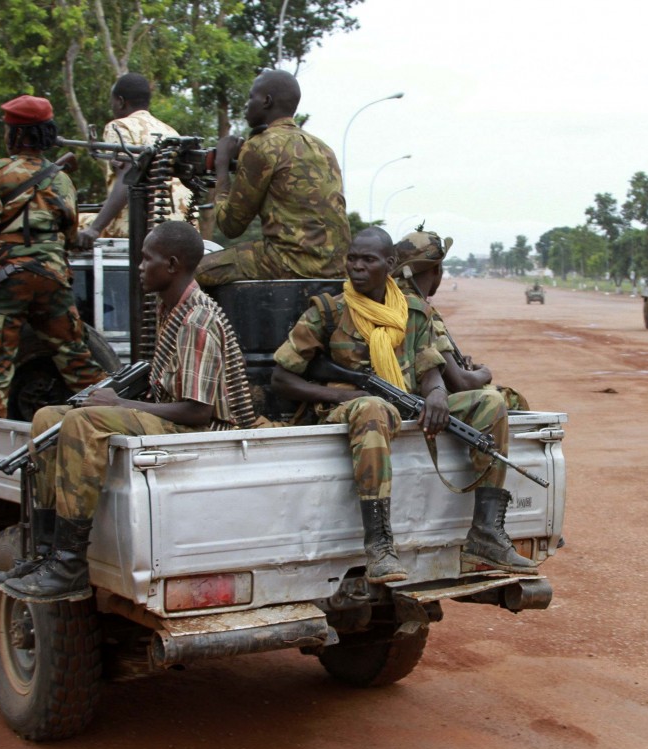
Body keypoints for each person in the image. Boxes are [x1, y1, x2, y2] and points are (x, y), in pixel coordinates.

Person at [0, 221, 259, 602]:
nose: (139, 267)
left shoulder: (197, 319)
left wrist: (119, 405)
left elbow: (199, 411)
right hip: (175, 418)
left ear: (170, 265)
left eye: (145, 259)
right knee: (48, 419)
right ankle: (46, 552)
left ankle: (70, 565)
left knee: (87, 420)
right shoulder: (169, 307)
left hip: (204, 431)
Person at [271, 227, 536, 584]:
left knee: (490, 400)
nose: (358, 267)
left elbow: (430, 369)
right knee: (372, 408)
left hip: (406, 403)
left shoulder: (413, 313)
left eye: (369, 260)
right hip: (350, 409)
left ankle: (486, 534)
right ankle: (380, 546)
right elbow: (282, 378)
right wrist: (346, 395)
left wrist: (438, 395)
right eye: (353, 259)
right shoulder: (329, 312)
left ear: (390, 264)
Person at [0, 95, 104, 418]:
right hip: (53, 280)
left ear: (16, 134)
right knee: (77, 361)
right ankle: (112, 419)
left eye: (7, 129)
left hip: (7, 280)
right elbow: (70, 236)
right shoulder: (62, 180)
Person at [195, 69, 349, 287]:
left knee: (186, 273)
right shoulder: (323, 148)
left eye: (251, 97)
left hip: (288, 263)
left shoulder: (261, 145)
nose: (246, 105)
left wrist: (221, 166)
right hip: (336, 267)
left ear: (266, 101)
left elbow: (230, 226)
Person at [393, 228, 530, 411]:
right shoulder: (420, 309)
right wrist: (484, 372)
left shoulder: (391, 298)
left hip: (403, 396)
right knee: (512, 398)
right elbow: (460, 382)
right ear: (436, 269)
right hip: (426, 402)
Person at [77, 73, 194, 248]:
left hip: (142, 227)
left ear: (121, 102)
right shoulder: (170, 131)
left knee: (72, 224)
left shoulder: (119, 126)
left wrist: (95, 229)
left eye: (113, 103)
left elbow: (127, 177)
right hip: (182, 227)